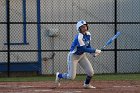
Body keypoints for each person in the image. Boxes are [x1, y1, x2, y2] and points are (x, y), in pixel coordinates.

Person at [55, 20, 101, 89]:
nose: (84, 28)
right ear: (79, 29)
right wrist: (95, 50)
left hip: (82, 56)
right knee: (71, 77)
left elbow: (88, 46)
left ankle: (86, 84)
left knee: (90, 72)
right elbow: (83, 49)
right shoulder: (79, 37)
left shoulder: (88, 34)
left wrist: (92, 53)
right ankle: (59, 75)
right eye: (82, 27)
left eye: (85, 26)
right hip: (73, 56)